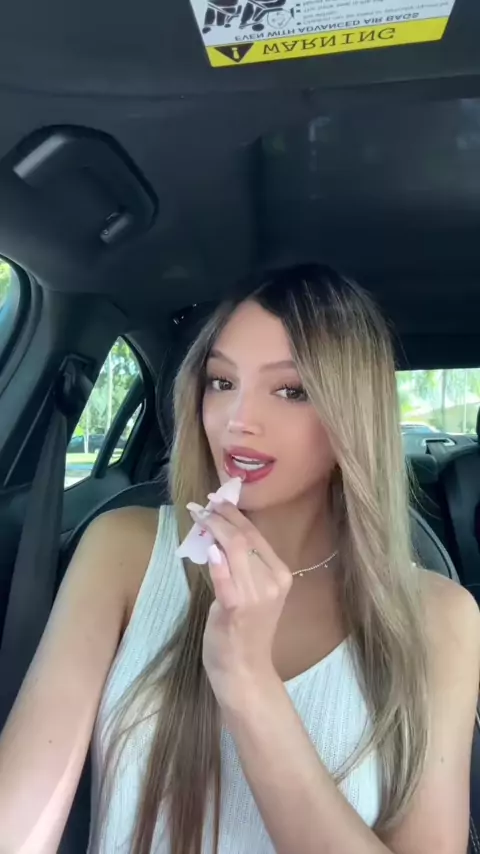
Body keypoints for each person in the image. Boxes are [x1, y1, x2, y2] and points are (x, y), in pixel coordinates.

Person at [0, 264, 479, 854]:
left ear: (352, 416)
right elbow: (19, 818)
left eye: (291, 390)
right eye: (222, 382)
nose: (239, 420)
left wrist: (249, 684)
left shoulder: (442, 618)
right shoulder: (123, 549)